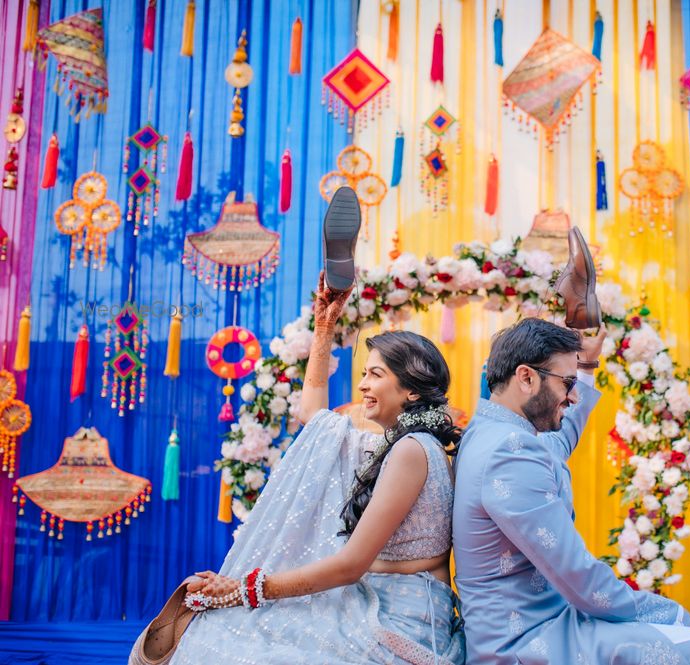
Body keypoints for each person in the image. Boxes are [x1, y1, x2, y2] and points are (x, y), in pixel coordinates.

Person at [159, 187, 465, 664]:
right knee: (227, 634)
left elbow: (348, 565)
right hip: (369, 601)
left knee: (230, 642)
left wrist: (242, 589)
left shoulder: (412, 450)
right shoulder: (402, 443)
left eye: (375, 375)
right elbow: (315, 421)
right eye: (362, 373)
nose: (363, 386)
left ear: (410, 390)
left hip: (399, 619)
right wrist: (324, 329)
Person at [452, 317, 690, 664]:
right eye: (567, 382)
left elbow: (560, 437)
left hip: (539, 625)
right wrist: (662, 609)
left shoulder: (491, 431)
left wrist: (588, 365)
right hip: (524, 640)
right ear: (526, 377)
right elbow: (578, 578)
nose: (574, 394)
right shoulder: (510, 452)